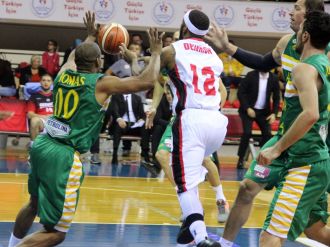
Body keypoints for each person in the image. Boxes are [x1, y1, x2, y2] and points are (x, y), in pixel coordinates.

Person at [7, 11, 163, 247]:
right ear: (99, 62)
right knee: (57, 233)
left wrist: (90, 36)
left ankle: (10, 243)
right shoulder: (101, 83)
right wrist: (156, 52)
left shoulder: (63, 73)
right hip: (65, 155)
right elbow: (147, 80)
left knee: (34, 203)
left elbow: (72, 57)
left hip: (42, 144)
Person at [204, 0, 330, 246]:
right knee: (247, 187)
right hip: (285, 142)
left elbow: (313, 113)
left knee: (291, 232)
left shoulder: (317, 60)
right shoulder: (287, 44)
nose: (290, 12)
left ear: (309, 20)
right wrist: (227, 47)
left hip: (306, 151)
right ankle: (226, 242)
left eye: (296, 7)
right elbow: (262, 62)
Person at [145, 9, 227, 247]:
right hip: (216, 122)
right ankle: (187, 237)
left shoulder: (173, 51)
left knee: (185, 186)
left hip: (191, 120)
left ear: (183, 28)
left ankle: (201, 238)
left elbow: (148, 77)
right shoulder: (214, 55)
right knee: (195, 169)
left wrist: (156, 52)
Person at [257, 10, 330, 246]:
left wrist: (276, 149)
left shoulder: (303, 68)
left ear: (305, 35)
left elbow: (311, 114)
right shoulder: (325, 65)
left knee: (269, 238)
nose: (295, 34)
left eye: (298, 31)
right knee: (317, 231)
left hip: (305, 163)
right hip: (315, 160)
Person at [236, 69, 280, 169]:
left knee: (267, 134)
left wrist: (274, 113)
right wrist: (247, 108)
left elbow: (277, 97)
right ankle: (241, 159)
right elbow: (241, 92)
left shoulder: (274, 78)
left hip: (264, 112)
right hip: (248, 110)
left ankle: (263, 158)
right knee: (247, 133)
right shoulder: (251, 75)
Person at [26, 74, 53, 144]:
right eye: (43, 80)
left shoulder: (57, 95)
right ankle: (33, 145)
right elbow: (29, 114)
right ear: (40, 82)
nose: (46, 83)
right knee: (34, 120)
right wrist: (44, 117)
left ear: (52, 82)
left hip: (55, 121)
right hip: (42, 122)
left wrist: (52, 116)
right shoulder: (34, 96)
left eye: (48, 81)